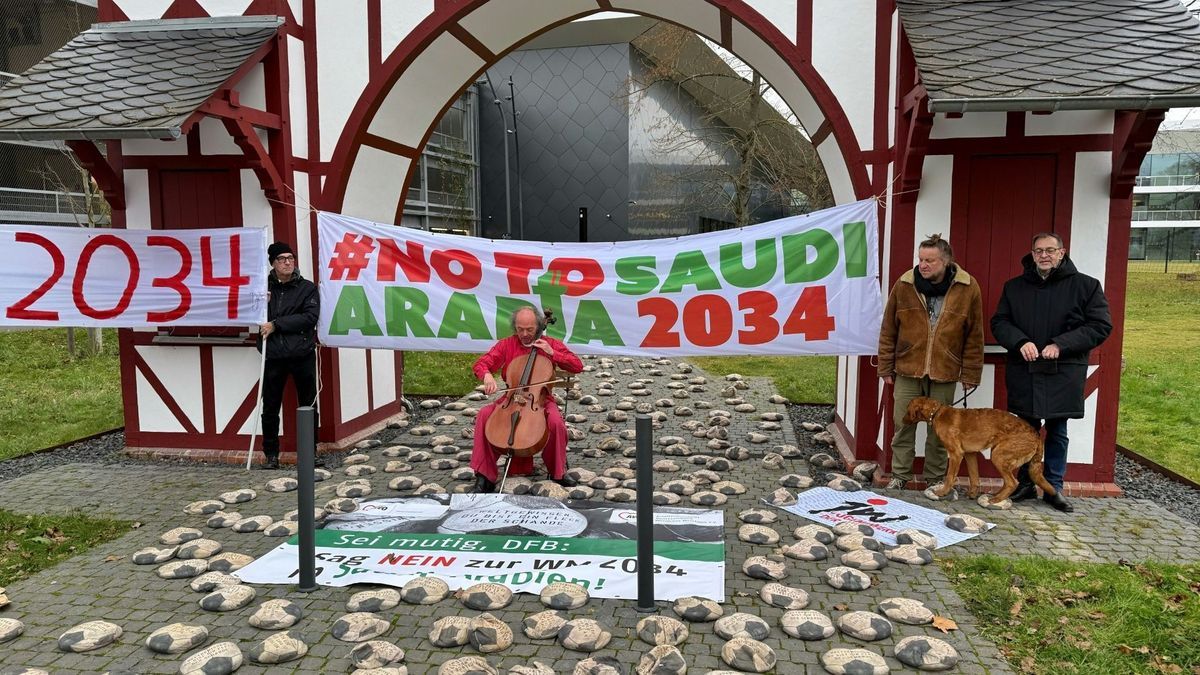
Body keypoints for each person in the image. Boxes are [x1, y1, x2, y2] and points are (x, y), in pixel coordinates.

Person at [991, 232, 1112, 513]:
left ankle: (1052, 487)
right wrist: (1021, 341)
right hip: (1026, 370)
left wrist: (1062, 344)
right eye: (1038, 251)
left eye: (1050, 250)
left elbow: (1100, 326)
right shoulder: (1014, 287)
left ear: (1061, 253)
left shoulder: (1086, 286)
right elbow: (1000, 322)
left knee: (1058, 430)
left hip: (1063, 371)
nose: (1044, 255)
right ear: (1032, 255)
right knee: (1024, 431)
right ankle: (1023, 483)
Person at [877, 234, 984, 491]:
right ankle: (900, 475)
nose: (923, 265)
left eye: (930, 260)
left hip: (945, 371)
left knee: (941, 430)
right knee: (903, 424)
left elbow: (974, 335)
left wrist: (971, 373)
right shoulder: (904, 284)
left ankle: (935, 478)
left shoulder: (968, 287)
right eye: (921, 259)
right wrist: (885, 366)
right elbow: (888, 328)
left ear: (946, 261)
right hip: (907, 368)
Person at [470, 307, 583, 493]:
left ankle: (557, 472)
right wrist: (487, 376)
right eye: (520, 329)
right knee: (484, 414)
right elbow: (482, 363)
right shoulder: (506, 345)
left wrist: (553, 353)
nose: (524, 334)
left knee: (556, 422)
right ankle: (484, 476)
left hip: (540, 400)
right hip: (510, 399)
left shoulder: (550, 343)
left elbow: (577, 365)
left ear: (538, 326)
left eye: (529, 329)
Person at [257, 241, 319, 469]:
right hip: (273, 355)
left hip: (301, 354)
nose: (287, 262)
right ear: (273, 263)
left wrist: (277, 324)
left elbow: (309, 317)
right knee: (270, 407)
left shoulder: (307, 288)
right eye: (282, 259)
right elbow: (254, 315)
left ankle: (310, 453)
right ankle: (271, 454)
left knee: (308, 405)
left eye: (290, 258)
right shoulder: (263, 288)